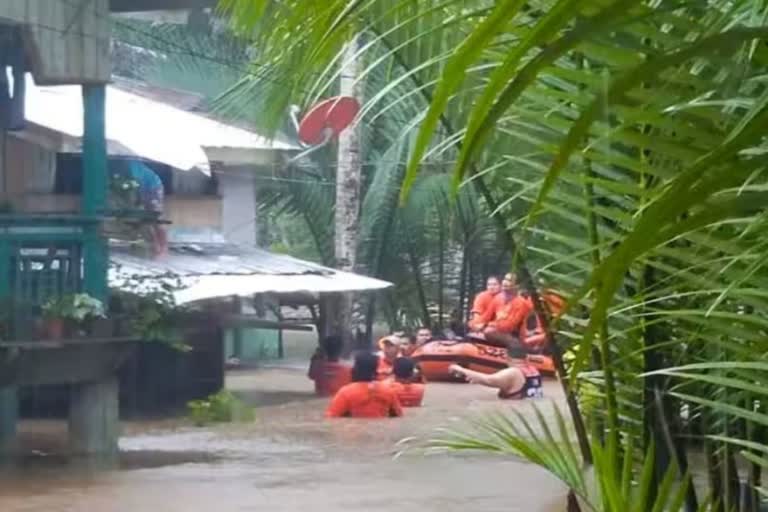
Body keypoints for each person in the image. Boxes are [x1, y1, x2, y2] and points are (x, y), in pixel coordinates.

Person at [326, 352, 404, 418]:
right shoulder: (388, 391)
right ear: (375, 370)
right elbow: (399, 416)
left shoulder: (346, 392)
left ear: (355, 369)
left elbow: (332, 417)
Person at [449, 348, 542, 400]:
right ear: (526, 357)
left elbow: (488, 380)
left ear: (507, 357)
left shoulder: (512, 373)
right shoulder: (534, 371)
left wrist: (460, 369)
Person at [477, 274, 533, 348]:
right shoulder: (498, 297)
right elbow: (485, 317)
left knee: (489, 331)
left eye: (509, 281)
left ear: (517, 286)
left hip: (514, 337)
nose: (505, 282)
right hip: (498, 332)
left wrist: (487, 325)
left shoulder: (522, 303)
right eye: (505, 279)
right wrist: (477, 324)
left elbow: (508, 327)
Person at [127, 160, 167, 256]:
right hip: (141, 190)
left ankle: (163, 248)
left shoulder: (131, 166)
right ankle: (155, 246)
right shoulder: (122, 166)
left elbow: (135, 183)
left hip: (153, 187)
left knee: (156, 218)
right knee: (146, 220)